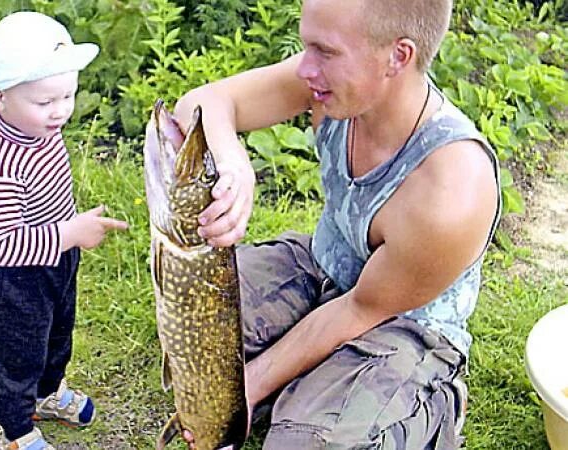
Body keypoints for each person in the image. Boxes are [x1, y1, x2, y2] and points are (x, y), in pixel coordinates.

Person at [170, 0, 501, 448]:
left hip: (403, 322)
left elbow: (362, 309)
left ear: (398, 56)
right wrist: (231, 161)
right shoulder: (331, 84)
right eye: (308, 46)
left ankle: (422, 407)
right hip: (326, 266)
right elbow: (201, 104)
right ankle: (312, 385)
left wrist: (244, 390)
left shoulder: (451, 188)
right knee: (189, 311)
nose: (305, 68)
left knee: (305, 444)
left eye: (324, 51)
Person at [0, 12, 128, 450]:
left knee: (58, 332)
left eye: (68, 96)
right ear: (0, 99)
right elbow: (0, 244)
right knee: (19, 353)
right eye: (45, 102)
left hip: (56, 259)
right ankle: (18, 429)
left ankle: (48, 393)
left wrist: (67, 236)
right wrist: (71, 233)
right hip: (16, 279)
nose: (60, 112)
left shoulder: (38, 127)